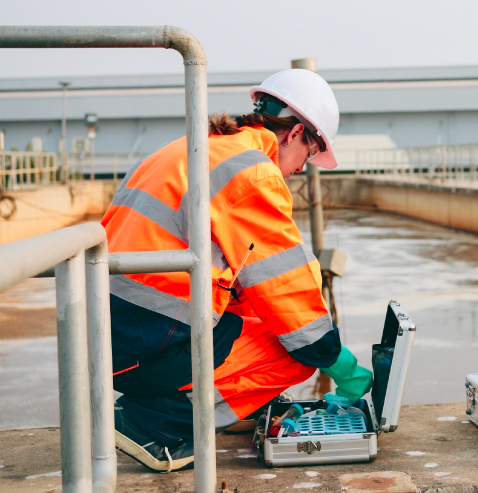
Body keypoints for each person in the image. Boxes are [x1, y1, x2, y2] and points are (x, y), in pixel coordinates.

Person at [107, 69, 373, 471]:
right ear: (297, 132)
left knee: (258, 314)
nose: (304, 167)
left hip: (111, 338)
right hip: (146, 347)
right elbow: (285, 285)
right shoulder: (250, 170)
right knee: (297, 350)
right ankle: (153, 424)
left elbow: (249, 278)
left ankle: (230, 406)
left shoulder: (195, 148)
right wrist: (336, 360)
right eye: (312, 152)